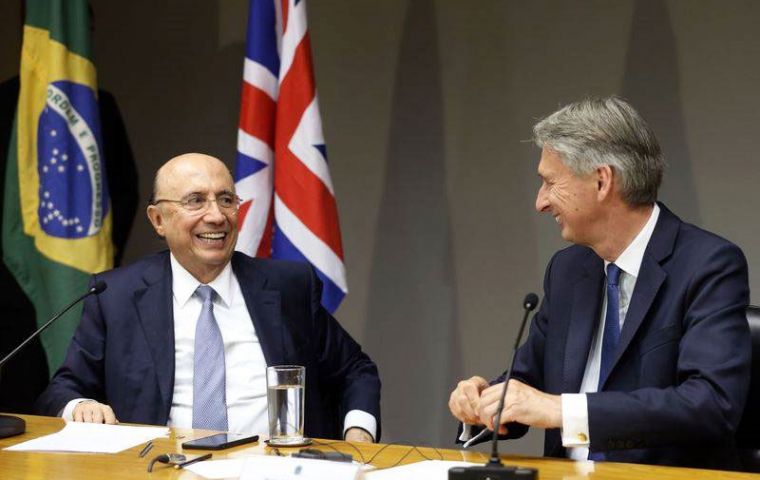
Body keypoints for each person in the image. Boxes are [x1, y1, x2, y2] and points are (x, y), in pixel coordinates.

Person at [448, 96, 750, 469]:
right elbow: (528, 383)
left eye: (549, 182)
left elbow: (711, 404)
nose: (540, 202)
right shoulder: (569, 270)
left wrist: (563, 411)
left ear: (602, 181)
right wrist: (484, 401)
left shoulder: (708, 265)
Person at [36, 153, 380, 443]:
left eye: (226, 199)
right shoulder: (116, 296)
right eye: (195, 201)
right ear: (158, 219)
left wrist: (358, 432)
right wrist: (79, 405)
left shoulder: (287, 286)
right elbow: (64, 388)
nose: (216, 215)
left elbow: (355, 369)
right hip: (159, 471)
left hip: (275, 467)